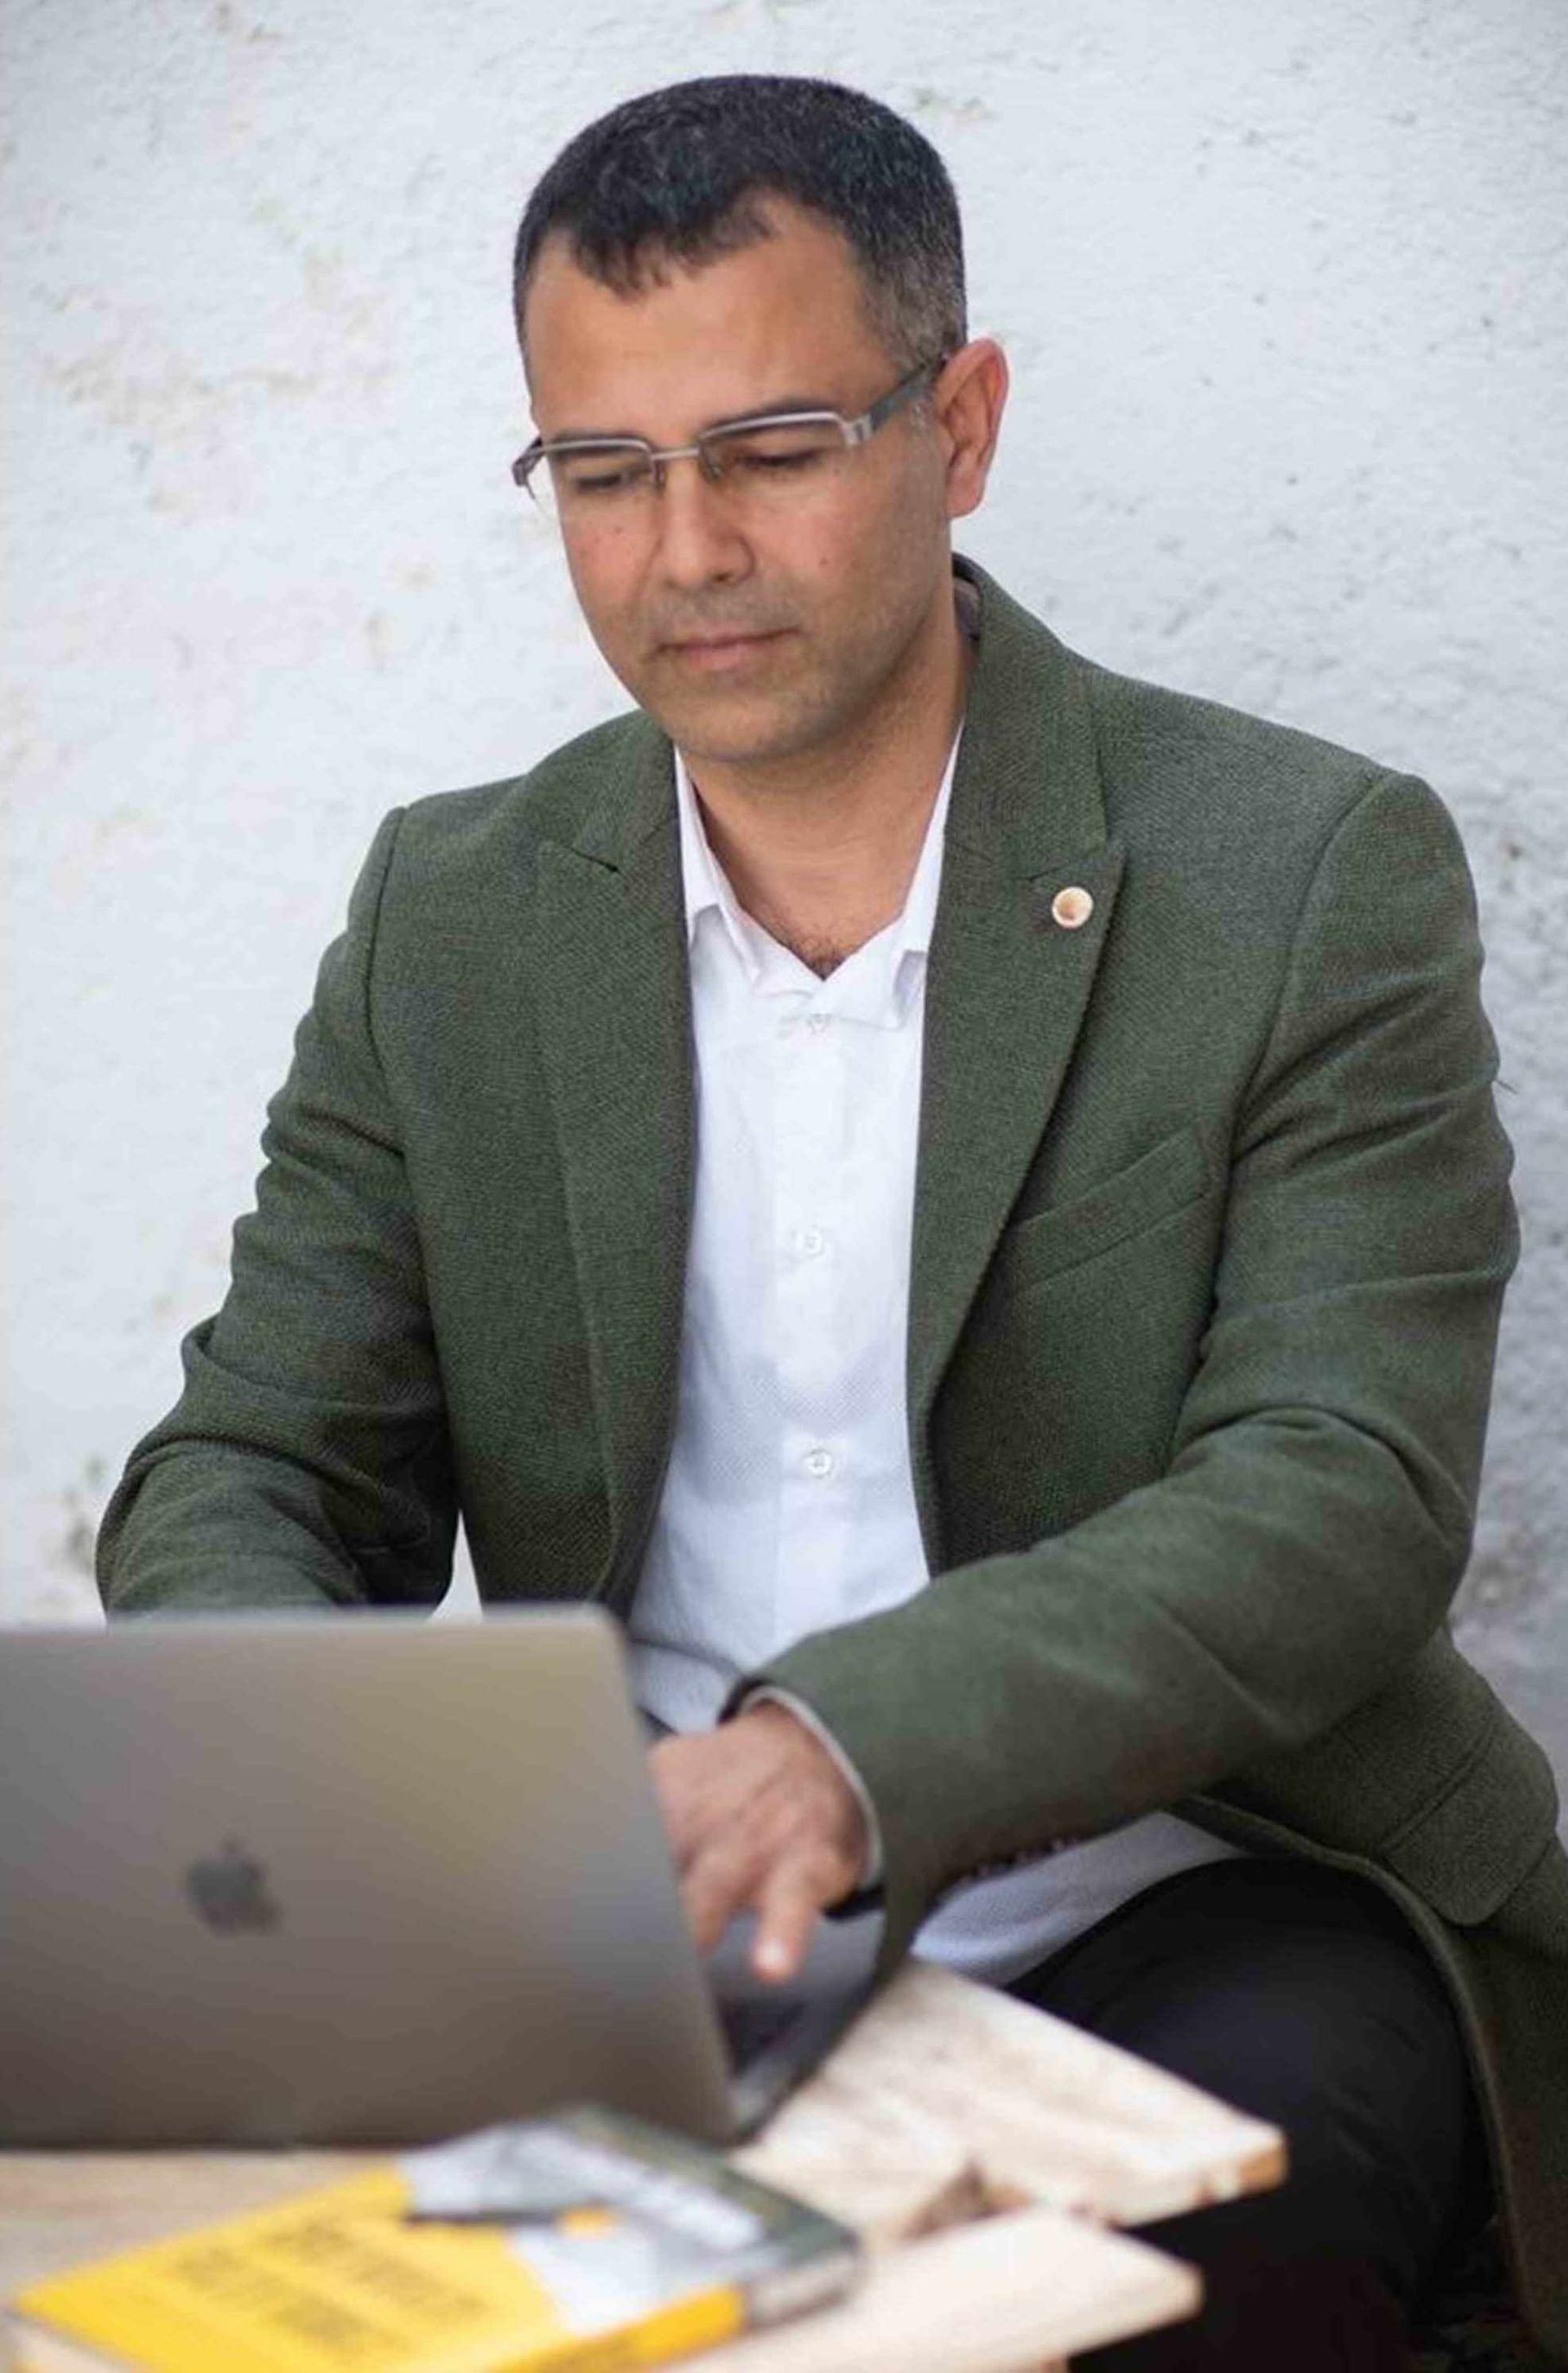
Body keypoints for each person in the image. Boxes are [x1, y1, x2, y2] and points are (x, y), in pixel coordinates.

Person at [98, 74, 1566, 2371]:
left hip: (1188, 1887)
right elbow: (256, 1462)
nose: (684, 548)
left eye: (772, 447)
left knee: (1187, 2274)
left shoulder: (1299, 874)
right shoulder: (456, 917)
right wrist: (350, 1811)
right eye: (605, 472)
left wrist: (834, 1750)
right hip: (607, 1933)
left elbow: (1340, 1495)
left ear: (958, 424)